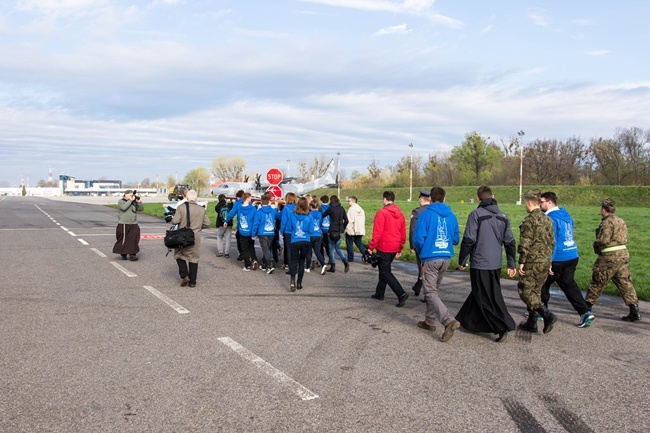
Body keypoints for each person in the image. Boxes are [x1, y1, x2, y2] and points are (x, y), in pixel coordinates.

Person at [456, 186, 517, 343]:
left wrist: (462, 260)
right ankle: (465, 320)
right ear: (493, 196)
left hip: (480, 262)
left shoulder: (476, 214)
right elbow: (510, 242)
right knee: (482, 292)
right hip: (495, 263)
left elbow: (469, 240)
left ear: (478, 199)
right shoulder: (504, 216)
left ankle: (502, 325)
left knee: (483, 295)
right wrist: (511, 263)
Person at [539, 192, 595, 328]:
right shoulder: (565, 215)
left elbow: (553, 241)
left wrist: (549, 261)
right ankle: (585, 312)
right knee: (569, 285)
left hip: (559, 257)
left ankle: (541, 312)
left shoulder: (550, 218)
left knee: (541, 283)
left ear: (549, 202)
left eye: (542, 202)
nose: (540, 205)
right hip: (572, 254)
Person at [412, 187, 460, 342]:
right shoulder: (451, 216)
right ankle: (430, 321)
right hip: (445, 257)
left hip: (430, 257)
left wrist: (423, 251)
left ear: (430, 198)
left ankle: (448, 320)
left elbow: (418, 238)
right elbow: (455, 239)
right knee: (434, 291)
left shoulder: (425, 215)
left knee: (430, 293)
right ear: (444, 198)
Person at [585, 198, 642, 322]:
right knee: (624, 282)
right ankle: (634, 309)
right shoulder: (620, 221)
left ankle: (586, 308)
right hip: (622, 254)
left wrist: (596, 247)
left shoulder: (606, 223)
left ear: (604, 209)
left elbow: (603, 241)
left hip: (609, 256)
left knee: (598, 280)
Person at [517, 189, 557, 334]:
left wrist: (522, 261)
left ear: (529, 203)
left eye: (525, 204)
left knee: (525, 290)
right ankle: (531, 323)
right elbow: (552, 242)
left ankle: (547, 314)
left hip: (533, 261)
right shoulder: (548, 219)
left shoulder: (530, 220)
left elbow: (525, 242)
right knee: (536, 291)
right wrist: (550, 260)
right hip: (545, 261)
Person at [368, 191, 409, 307]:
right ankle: (379, 293)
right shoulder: (400, 214)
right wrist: (400, 248)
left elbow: (377, 232)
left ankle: (401, 293)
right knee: (384, 269)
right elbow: (403, 233)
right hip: (395, 246)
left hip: (384, 246)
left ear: (385, 199)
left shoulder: (382, 213)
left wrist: (371, 246)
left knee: (385, 272)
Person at [171, 189, 210, 287]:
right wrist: (198, 228)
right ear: (196, 198)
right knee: (194, 258)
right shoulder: (201, 209)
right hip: (195, 235)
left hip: (182, 235)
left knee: (179, 255)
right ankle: (193, 281)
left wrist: (173, 219)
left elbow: (175, 221)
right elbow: (207, 224)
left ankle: (184, 275)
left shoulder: (181, 207)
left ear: (187, 198)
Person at [286, 197, 315, 291]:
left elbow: (289, 228)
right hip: (305, 240)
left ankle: (292, 280)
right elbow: (311, 230)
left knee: (294, 261)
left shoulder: (292, 215)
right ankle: (299, 283)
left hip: (295, 240)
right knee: (301, 261)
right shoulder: (309, 216)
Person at [226, 193, 258, 271]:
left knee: (245, 248)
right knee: (251, 246)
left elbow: (232, 213)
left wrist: (226, 220)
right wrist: (254, 233)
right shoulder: (253, 209)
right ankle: (254, 259)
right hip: (250, 231)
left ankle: (247, 265)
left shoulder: (238, 206)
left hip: (242, 230)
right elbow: (255, 221)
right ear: (247, 198)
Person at [409, 189, 431, 297]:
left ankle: (427, 292)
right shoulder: (433, 211)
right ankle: (417, 287)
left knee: (422, 268)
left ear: (421, 199)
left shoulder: (417, 212)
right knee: (426, 268)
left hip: (421, 245)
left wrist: (412, 245)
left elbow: (413, 229)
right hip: (432, 244)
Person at [112, 189, 144, 261]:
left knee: (134, 238)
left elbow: (141, 209)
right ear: (125, 195)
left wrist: (139, 202)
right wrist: (130, 200)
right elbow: (123, 208)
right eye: (130, 195)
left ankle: (133, 254)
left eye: (133, 195)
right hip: (124, 223)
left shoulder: (133, 202)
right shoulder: (121, 201)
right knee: (124, 239)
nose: (132, 197)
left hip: (133, 223)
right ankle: (123, 253)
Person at [322, 195, 349, 273]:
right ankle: (345, 261)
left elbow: (323, 215)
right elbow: (346, 221)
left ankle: (333, 266)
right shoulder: (342, 208)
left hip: (332, 231)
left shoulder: (330, 208)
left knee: (331, 248)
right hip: (340, 231)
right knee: (338, 248)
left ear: (331, 201)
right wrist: (342, 229)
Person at [252, 193, 277, 274]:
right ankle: (264, 263)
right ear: (269, 202)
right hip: (271, 232)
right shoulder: (273, 211)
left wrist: (253, 234)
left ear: (261, 202)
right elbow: (278, 216)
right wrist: (276, 207)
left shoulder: (259, 212)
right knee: (267, 249)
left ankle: (270, 264)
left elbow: (256, 224)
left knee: (265, 249)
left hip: (262, 232)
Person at [306, 199, 328, 275]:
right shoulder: (320, 214)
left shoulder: (308, 214)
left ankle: (307, 267)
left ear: (310, 206)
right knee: (318, 252)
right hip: (318, 234)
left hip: (310, 234)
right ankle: (323, 264)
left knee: (308, 251)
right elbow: (321, 223)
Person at [345, 196, 368, 263]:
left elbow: (350, 221)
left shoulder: (351, 209)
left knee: (349, 244)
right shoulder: (360, 209)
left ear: (353, 201)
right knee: (359, 243)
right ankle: (366, 254)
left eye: (349, 201)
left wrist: (348, 229)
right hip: (360, 230)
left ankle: (350, 258)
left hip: (352, 230)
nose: (348, 202)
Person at [278, 193, 298, 270]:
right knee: (295, 248)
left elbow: (284, 221)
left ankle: (288, 264)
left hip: (287, 230)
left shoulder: (286, 208)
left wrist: (281, 231)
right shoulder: (297, 207)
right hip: (296, 230)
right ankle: (294, 263)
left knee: (288, 248)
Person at [320, 195, 331, 264]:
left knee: (320, 245)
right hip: (329, 229)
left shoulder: (320, 208)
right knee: (328, 245)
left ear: (321, 201)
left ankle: (322, 259)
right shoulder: (330, 208)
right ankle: (330, 258)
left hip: (321, 229)